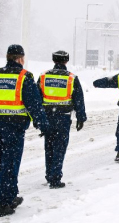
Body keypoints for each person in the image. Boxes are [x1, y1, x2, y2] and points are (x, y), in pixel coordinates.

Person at [0, 44, 49, 217]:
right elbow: (34, 104)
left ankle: (11, 195)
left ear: (8, 57)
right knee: (10, 163)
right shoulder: (24, 77)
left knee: (2, 161)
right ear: (21, 58)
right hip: (14, 127)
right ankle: (4, 203)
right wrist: (42, 124)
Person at [37, 50, 87, 189]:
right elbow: (79, 100)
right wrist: (80, 118)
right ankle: (55, 178)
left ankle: (49, 174)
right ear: (66, 61)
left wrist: (37, 118)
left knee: (49, 147)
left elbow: (37, 99)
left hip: (47, 117)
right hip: (63, 118)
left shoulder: (43, 76)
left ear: (54, 60)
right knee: (59, 148)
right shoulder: (71, 78)